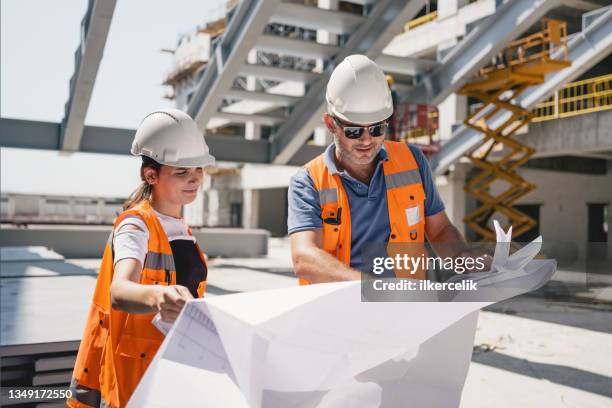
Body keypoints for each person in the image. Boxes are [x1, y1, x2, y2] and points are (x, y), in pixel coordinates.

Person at [288, 55, 488, 284]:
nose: (366, 140)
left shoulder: (412, 160)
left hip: (406, 305)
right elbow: (304, 258)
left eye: (376, 129)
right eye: (354, 131)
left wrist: (464, 259)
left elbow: (440, 229)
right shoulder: (308, 181)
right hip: (338, 310)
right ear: (331, 124)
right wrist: (373, 288)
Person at [67, 108, 216, 408]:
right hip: (131, 378)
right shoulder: (135, 226)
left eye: (198, 169)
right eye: (181, 172)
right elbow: (120, 291)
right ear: (151, 174)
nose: (195, 179)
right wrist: (160, 295)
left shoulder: (182, 230)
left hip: (168, 368)